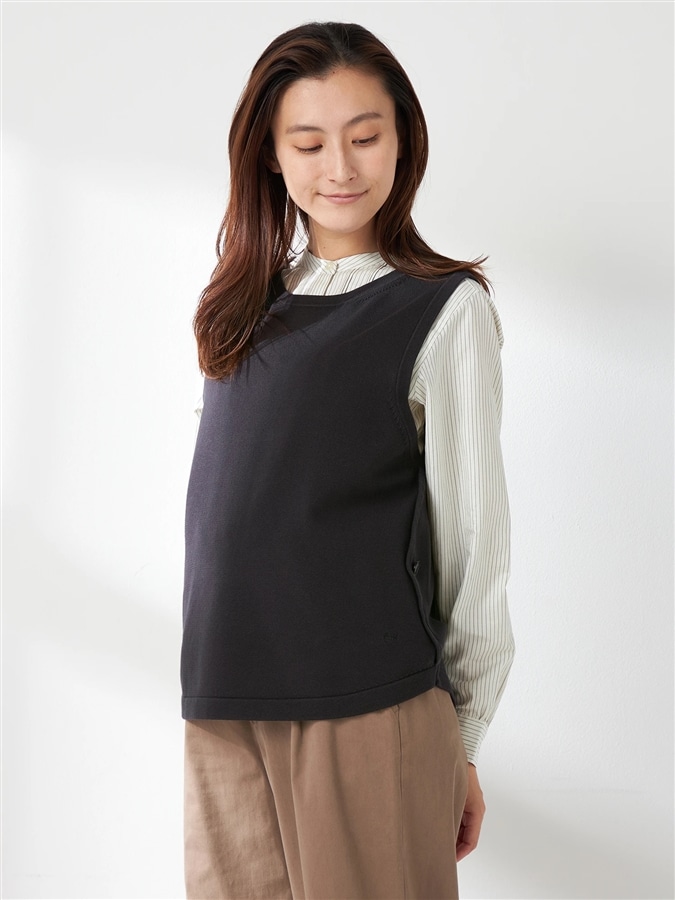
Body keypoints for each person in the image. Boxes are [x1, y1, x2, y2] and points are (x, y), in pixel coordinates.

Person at [181, 20, 514, 900]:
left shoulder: (441, 310)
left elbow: (472, 543)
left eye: (365, 137)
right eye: (308, 143)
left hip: (366, 704)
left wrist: (460, 740)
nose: (340, 167)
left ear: (403, 139)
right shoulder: (242, 307)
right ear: (269, 155)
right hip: (223, 702)